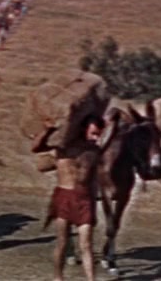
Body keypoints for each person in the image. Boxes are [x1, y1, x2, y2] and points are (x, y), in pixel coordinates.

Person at [32, 114, 104, 281]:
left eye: (99, 134)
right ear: (84, 129)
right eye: (93, 133)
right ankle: (58, 277)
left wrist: (95, 199)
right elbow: (36, 148)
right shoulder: (64, 147)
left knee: (86, 245)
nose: (96, 138)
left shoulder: (95, 151)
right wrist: (47, 131)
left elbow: (94, 178)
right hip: (64, 197)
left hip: (85, 199)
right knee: (62, 243)